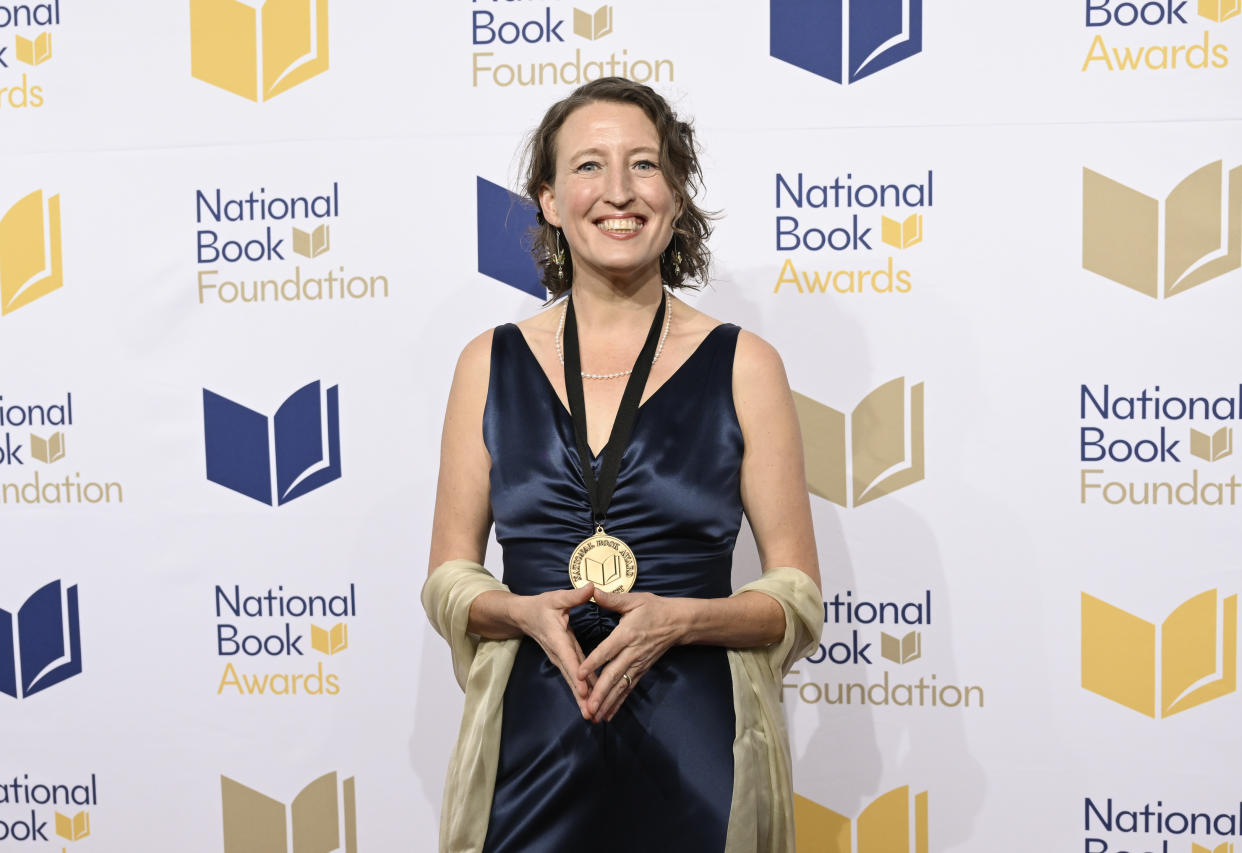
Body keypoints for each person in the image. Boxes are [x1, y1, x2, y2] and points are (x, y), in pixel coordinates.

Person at [422, 77, 822, 853]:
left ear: (675, 197)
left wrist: (688, 618)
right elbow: (449, 579)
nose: (617, 192)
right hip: (530, 744)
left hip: (698, 746)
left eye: (643, 165)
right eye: (588, 167)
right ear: (547, 199)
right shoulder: (488, 362)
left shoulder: (745, 364)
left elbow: (796, 596)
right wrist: (518, 610)